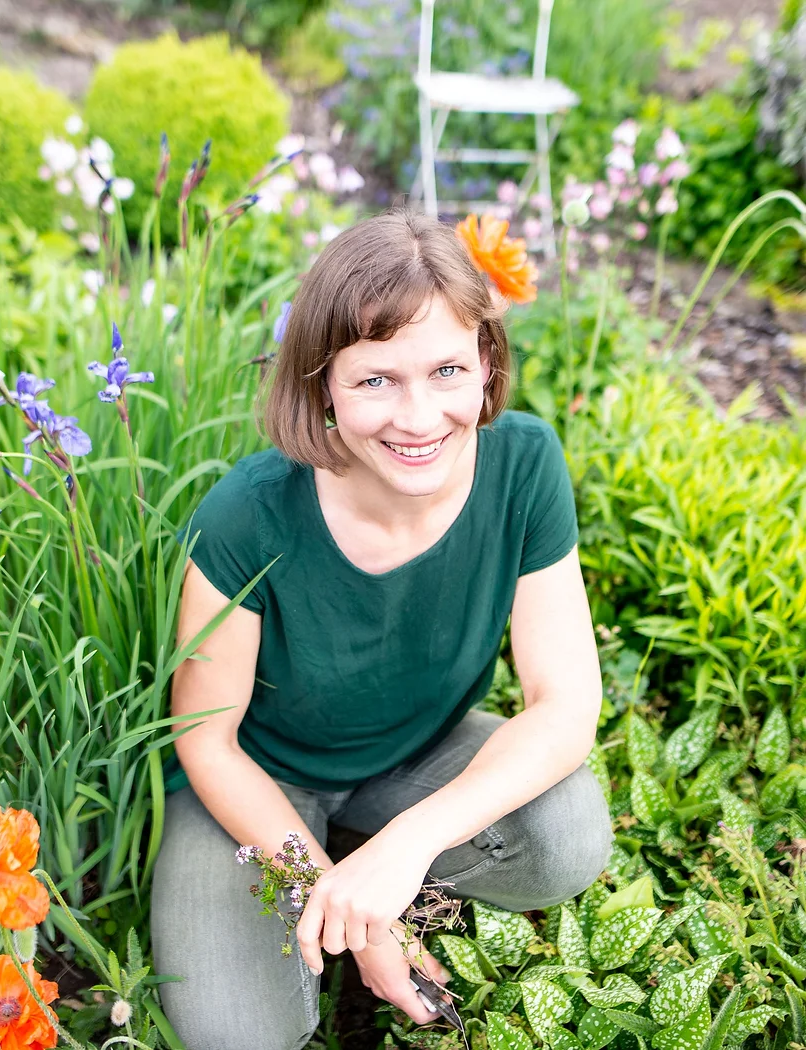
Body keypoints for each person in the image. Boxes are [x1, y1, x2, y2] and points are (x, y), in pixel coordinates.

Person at [151, 210, 614, 1050]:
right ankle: (345, 889)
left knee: (566, 837)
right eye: (375, 381)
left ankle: (378, 858)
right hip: (260, 783)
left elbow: (564, 703)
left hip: (414, 755)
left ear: (486, 366)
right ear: (321, 384)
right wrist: (359, 917)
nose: (419, 416)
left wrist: (407, 844)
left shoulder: (525, 466)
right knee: (236, 1036)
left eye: (446, 370)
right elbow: (209, 744)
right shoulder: (246, 517)